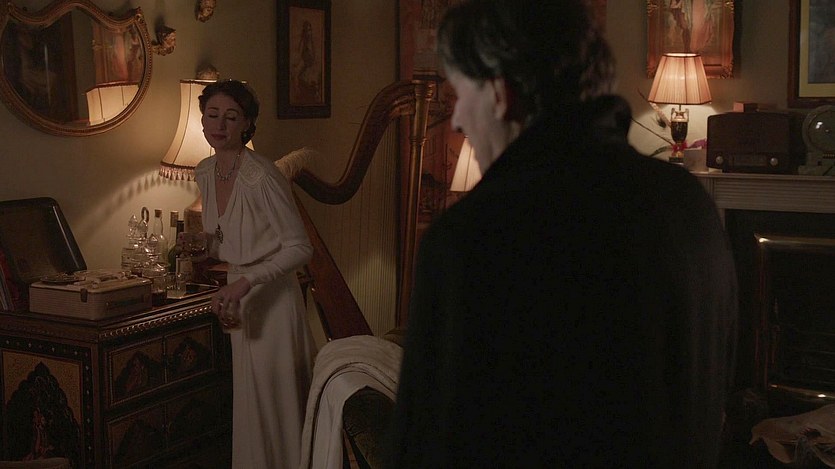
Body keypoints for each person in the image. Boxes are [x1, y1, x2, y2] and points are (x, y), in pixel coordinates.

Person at [385, 1, 738, 467]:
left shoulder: (473, 238)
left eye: (461, 93)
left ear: (499, 93)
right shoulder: (690, 206)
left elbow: (427, 445)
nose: (457, 119)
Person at [190, 79, 317, 468]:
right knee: (251, 404)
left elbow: (300, 247)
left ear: (246, 124)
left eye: (231, 117)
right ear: (202, 119)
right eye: (212, 115)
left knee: (277, 403)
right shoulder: (205, 171)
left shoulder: (261, 175)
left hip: (272, 299)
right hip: (238, 297)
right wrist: (201, 244)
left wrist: (247, 281)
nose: (219, 125)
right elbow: (224, 239)